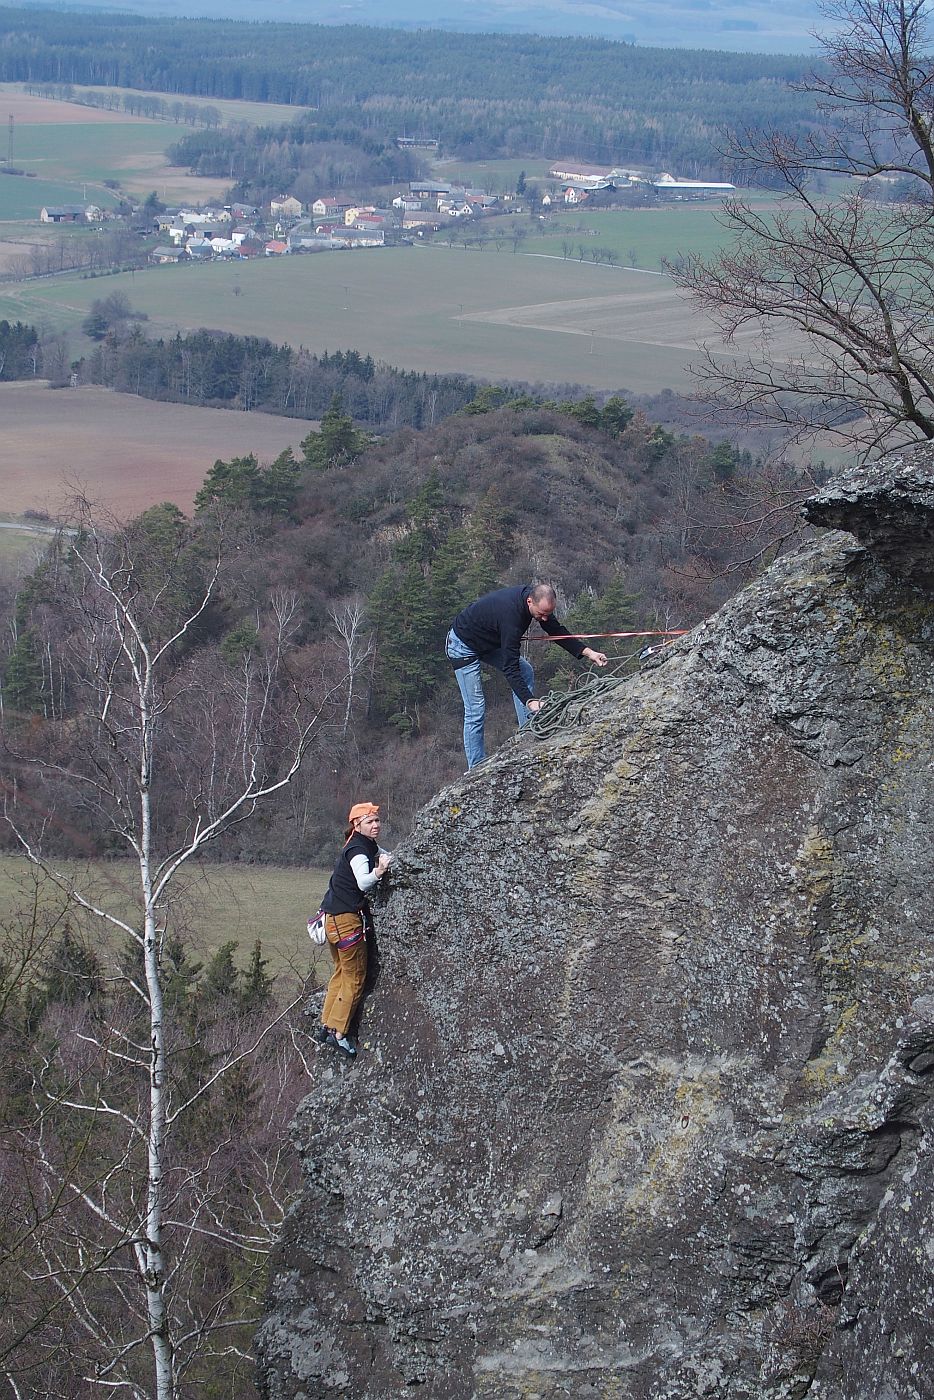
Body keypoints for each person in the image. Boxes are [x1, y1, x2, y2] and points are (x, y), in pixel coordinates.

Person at [446, 582, 608, 769]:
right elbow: (510, 667)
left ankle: (528, 733)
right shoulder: (511, 618)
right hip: (462, 646)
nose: (544, 619)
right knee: (476, 709)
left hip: (487, 641)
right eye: (541, 614)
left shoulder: (536, 600)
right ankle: (475, 768)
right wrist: (530, 701)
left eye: (548, 614)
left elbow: (556, 631)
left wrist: (589, 653)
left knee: (526, 671)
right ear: (530, 602)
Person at [315, 801, 392, 1059]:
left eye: (378, 820)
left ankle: (327, 1025)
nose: (376, 825)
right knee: (355, 977)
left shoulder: (359, 844)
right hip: (347, 921)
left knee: (340, 973)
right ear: (357, 825)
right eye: (370, 821)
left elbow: (385, 852)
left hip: (333, 919)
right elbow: (363, 881)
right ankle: (339, 1033)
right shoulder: (358, 849)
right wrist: (379, 871)